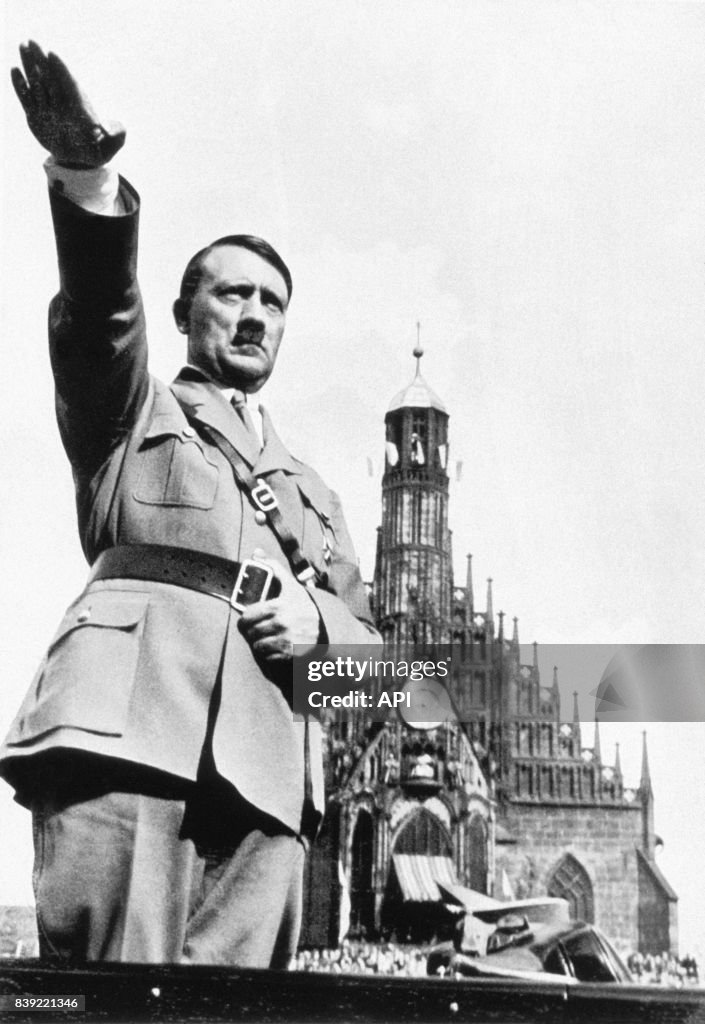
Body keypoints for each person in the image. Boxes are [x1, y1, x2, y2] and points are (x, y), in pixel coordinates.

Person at [0, 41, 379, 967]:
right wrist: (87, 181)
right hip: (128, 737)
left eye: (273, 303)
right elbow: (100, 315)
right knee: (106, 1001)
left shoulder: (317, 494)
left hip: (268, 778)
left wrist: (319, 629)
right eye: (232, 293)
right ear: (183, 312)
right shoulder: (129, 407)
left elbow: (377, 664)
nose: (253, 314)